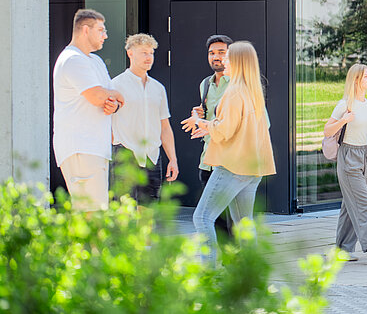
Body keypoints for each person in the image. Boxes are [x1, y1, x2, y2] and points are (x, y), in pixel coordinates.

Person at [188, 41, 275, 266]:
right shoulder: (252, 91)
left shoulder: (234, 92)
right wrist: (208, 126)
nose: (222, 60)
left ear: (236, 61)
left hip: (232, 165)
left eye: (227, 56)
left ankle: (209, 272)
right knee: (244, 224)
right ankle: (252, 275)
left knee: (202, 217)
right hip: (252, 168)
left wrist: (202, 123)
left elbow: (225, 129)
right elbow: (243, 127)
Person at [52, 8, 124, 211]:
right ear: (85, 30)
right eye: (101, 30)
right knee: (90, 213)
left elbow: (111, 97)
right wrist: (112, 97)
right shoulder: (73, 59)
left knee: (95, 211)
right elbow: (97, 96)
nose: (106, 35)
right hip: (81, 146)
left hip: (94, 147)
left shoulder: (95, 61)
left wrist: (114, 104)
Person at [324, 64, 367, 264]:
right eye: (366, 77)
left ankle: (342, 250)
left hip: (365, 155)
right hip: (349, 157)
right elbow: (328, 131)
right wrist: (343, 120)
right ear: (355, 81)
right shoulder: (345, 104)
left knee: (350, 203)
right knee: (363, 204)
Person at [110, 34, 179, 204]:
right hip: (125, 153)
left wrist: (173, 159)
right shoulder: (115, 85)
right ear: (130, 53)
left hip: (152, 156)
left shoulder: (158, 88)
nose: (149, 57)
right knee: (123, 208)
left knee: (148, 211)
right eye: (144, 53)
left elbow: (165, 126)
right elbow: (104, 120)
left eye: (151, 53)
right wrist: (115, 142)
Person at [181, 35, 233, 234]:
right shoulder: (205, 84)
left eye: (221, 52)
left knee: (233, 219)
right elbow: (207, 117)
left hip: (231, 161)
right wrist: (198, 115)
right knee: (215, 219)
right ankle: (222, 261)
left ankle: (238, 261)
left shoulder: (238, 84)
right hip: (207, 160)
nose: (215, 57)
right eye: (212, 53)